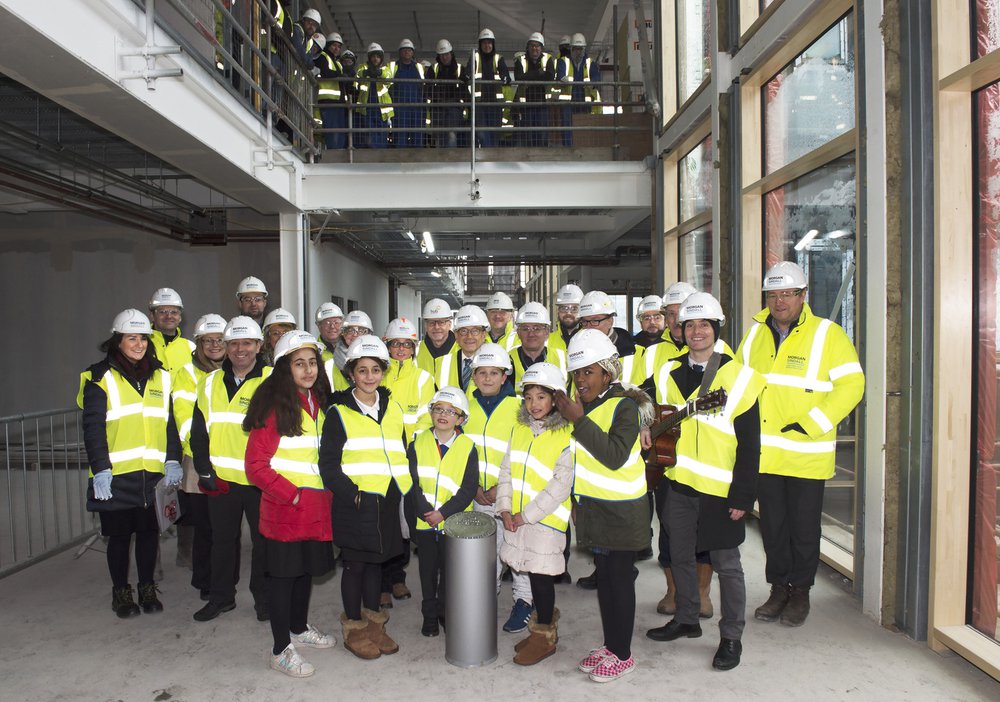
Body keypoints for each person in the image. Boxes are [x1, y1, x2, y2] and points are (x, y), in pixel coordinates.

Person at [737, 261, 864, 627]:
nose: (780, 301)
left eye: (788, 294)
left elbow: (852, 386)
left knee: (804, 530)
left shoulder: (828, 335)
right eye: (774, 294)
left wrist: (813, 424)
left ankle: (800, 592)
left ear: (802, 295)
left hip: (806, 456)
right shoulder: (755, 335)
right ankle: (779, 589)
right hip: (766, 455)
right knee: (773, 528)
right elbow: (740, 383)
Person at [644, 293, 764, 672]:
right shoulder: (667, 370)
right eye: (689, 325)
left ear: (716, 329)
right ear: (680, 330)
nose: (696, 332)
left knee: (727, 565)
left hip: (720, 490)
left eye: (704, 325)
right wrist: (647, 425)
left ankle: (731, 636)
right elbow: (643, 402)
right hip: (677, 482)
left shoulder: (740, 378)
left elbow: (750, 445)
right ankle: (687, 618)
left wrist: (743, 494)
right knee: (679, 554)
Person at [555, 329, 653, 682]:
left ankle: (623, 654)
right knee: (606, 582)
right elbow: (583, 460)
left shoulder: (624, 407)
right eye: (577, 373)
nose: (580, 380)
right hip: (595, 507)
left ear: (607, 374)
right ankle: (611, 645)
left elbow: (612, 456)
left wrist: (578, 420)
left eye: (588, 372)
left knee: (619, 582)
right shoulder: (590, 404)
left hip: (623, 511)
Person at [244, 331, 336, 678]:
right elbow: (255, 466)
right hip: (287, 511)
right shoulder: (274, 409)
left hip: (315, 510)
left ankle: (299, 628)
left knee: (304, 575)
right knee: (283, 579)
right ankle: (280, 648)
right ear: (285, 369)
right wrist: (292, 494)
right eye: (299, 364)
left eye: (312, 363)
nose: (308, 370)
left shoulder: (320, 403)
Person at [79, 309, 183, 617]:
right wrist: (100, 468)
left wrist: (173, 459)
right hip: (116, 477)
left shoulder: (162, 376)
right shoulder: (99, 377)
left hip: (151, 474)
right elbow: (93, 426)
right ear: (118, 341)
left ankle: (147, 587)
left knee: (150, 534)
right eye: (131, 338)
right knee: (120, 538)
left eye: (143, 339)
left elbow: (169, 424)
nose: (138, 344)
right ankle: (121, 592)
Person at [319, 335, 412, 659]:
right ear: (351, 374)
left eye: (375, 369)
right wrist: (353, 496)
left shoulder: (393, 409)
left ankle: (375, 624)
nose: (369, 376)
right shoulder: (338, 413)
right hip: (355, 502)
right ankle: (354, 628)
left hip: (386, 500)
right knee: (354, 567)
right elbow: (328, 465)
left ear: (383, 372)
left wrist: (405, 492)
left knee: (376, 565)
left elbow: (400, 452)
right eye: (362, 370)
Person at [189, 316, 272, 622]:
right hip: (222, 479)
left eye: (247, 343)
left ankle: (263, 599)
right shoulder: (208, 383)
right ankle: (222, 597)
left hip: (260, 479)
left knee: (264, 542)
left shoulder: (273, 380)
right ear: (224, 346)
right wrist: (203, 469)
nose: (240, 350)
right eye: (233, 343)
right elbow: (200, 430)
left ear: (259, 346)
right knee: (222, 541)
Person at [497, 362, 574, 665]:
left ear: (556, 399)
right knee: (527, 570)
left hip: (545, 522)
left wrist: (525, 515)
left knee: (542, 579)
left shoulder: (567, 434)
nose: (534, 404)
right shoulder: (519, 428)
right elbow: (507, 471)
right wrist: (504, 508)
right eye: (529, 397)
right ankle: (539, 628)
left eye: (541, 397)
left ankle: (545, 638)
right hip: (518, 518)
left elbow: (560, 486)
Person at [463, 343, 530, 630]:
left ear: (505, 377)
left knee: (516, 550)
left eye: (495, 373)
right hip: (476, 494)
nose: (488, 378)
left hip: (510, 494)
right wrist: (473, 486)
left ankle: (524, 601)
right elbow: (459, 451)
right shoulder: (464, 408)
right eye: (482, 372)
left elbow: (526, 453)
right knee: (484, 552)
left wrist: (499, 488)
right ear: (473, 375)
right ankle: (485, 599)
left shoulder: (519, 408)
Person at [407, 386, 478, 636]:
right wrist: (426, 512)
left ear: (460, 419)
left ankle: (445, 612)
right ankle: (429, 616)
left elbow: (468, 490)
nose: (443, 415)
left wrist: (443, 514)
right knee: (427, 572)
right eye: (438, 409)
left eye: (451, 411)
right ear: (431, 413)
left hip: (454, 523)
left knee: (450, 573)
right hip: (424, 522)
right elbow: (412, 483)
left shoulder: (468, 446)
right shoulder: (418, 442)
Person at [378, 316, 434, 607]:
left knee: (403, 521)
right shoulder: (378, 373)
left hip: (408, 457)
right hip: (378, 457)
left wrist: (412, 448)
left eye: (406, 344)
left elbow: (426, 419)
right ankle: (383, 583)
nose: (401, 349)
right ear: (386, 345)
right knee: (382, 521)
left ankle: (398, 578)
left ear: (414, 347)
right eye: (395, 344)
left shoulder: (424, 378)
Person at [171, 313, 227, 599]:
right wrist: (203, 455)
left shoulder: (233, 371)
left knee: (224, 528)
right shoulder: (187, 374)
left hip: (229, 460)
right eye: (209, 340)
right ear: (199, 343)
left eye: (220, 340)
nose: (216, 345)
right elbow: (183, 420)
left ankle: (223, 578)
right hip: (199, 461)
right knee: (205, 527)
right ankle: (205, 582)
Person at [576, 290, 645, 386]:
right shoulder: (575, 350)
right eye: (584, 321)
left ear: (610, 321)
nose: (588, 327)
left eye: (595, 320)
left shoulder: (636, 353)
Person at [555, 33, 601, 146]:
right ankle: (568, 149)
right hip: (568, 102)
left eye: (580, 49)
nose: (578, 52)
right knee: (567, 126)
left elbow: (596, 77)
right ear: (571, 49)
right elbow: (560, 74)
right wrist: (562, 78)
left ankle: (583, 147)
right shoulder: (563, 61)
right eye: (576, 49)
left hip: (584, 101)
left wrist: (593, 82)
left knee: (584, 125)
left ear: (584, 49)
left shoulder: (590, 63)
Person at [468, 28, 510, 147]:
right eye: (484, 42)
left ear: (493, 44)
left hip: (495, 104)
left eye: (489, 42)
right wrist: (466, 76)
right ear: (480, 44)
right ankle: (487, 155)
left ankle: (493, 157)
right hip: (479, 104)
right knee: (481, 132)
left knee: (494, 132)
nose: (487, 45)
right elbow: (467, 72)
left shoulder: (498, 58)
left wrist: (506, 78)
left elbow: (505, 73)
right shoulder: (474, 57)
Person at [508, 302, 567, 386]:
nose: (531, 334)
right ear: (518, 332)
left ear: (547, 332)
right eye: (525, 329)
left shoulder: (561, 358)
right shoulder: (508, 359)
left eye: (537, 328)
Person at [513, 32, 555, 147]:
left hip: (542, 104)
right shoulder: (520, 60)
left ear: (541, 48)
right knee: (528, 135)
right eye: (532, 45)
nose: (534, 48)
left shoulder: (548, 59)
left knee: (542, 135)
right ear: (528, 47)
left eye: (537, 46)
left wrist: (529, 76)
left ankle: (541, 160)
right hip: (526, 105)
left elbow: (550, 76)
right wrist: (538, 73)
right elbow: (518, 78)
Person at [426, 39, 468, 148]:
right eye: (442, 55)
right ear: (438, 56)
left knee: (451, 135)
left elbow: (465, 91)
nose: (445, 57)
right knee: (439, 137)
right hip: (437, 108)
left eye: (447, 54)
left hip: (454, 108)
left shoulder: (460, 69)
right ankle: (441, 163)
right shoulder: (433, 69)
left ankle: (451, 162)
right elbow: (427, 89)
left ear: (451, 54)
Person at [148, 287, 195, 373]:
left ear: (180, 317)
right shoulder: (141, 345)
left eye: (174, 312)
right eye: (162, 312)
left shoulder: (191, 347)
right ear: (152, 316)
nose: (169, 316)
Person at [356, 43, 394, 149]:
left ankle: (381, 152)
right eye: (373, 56)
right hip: (367, 107)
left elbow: (388, 77)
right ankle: (372, 152)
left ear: (381, 58)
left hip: (381, 109)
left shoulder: (385, 69)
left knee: (382, 131)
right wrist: (367, 72)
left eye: (377, 56)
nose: (375, 59)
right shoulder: (362, 67)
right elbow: (358, 74)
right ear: (369, 57)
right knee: (369, 131)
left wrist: (378, 72)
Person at [324, 309, 373, 391]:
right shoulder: (329, 366)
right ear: (343, 334)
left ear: (369, 334)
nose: (355, 335)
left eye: (361, 330)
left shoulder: (378, 363)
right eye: (350, 330)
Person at [389, 39, 425, 147]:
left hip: (416, 106)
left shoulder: (419, 67)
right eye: (404, 50)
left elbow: (424, 86)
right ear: (400, 52)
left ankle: (417, 159)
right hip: (399, 107)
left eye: (409, 50)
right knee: (400, 134)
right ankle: (400, 158)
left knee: (417, 134)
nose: (406, 52)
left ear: (413, 53)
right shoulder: (392, 67)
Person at [317, 34, 350, 149]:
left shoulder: (338, 63)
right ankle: (333, 152)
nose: (336, 48)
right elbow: (325, 72)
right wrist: (339, 75)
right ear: (328, 46)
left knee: (339, 129)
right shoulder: (323, 56)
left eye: (339, 46)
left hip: (338, 102)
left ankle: (338, 151)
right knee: (332, 130)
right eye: (334, 45)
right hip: (328, 101)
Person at [415, 297, 456, 388]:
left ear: (449, 324)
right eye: (431, 322)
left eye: (441, 322)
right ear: (425, 325)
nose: (436, 327)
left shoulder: (462, 351)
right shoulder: (416, 352)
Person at [452, 305, 491, 392]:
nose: (469, 336)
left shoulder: (496, 363)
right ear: (456, 335)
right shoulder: (443, 364)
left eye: (475, 331)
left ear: (484, 334)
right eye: (463, 331)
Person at [549, 283, 584, 355]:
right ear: (557, 311)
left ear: (581, 311)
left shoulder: (590, 339)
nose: (568, 313)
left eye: (574, 309)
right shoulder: (547, 341)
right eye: (564, 308)